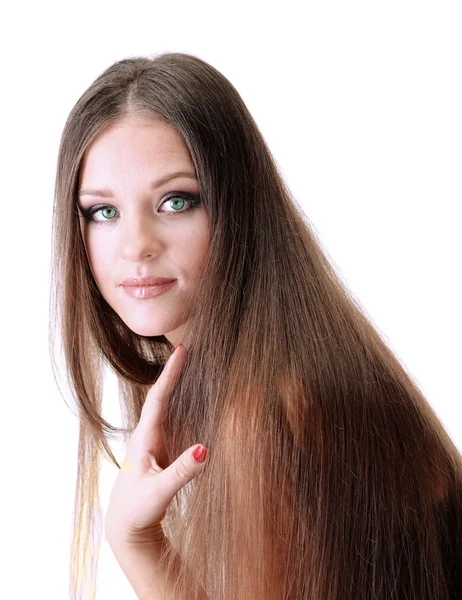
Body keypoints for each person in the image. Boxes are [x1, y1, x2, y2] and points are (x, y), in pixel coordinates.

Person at [50, 52, 462, 600]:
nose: (135, 246)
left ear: (239, 208)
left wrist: (134, 540)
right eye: (103, 211)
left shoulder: (268, 408)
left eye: (177, 201)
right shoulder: (260, 371)